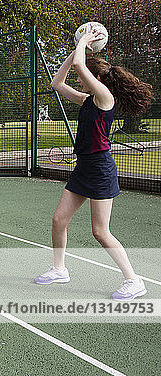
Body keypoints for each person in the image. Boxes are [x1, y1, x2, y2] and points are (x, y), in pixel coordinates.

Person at [35, 29, 154, 301]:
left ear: (96, 78)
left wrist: (83, 44)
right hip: (84, 167)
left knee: (100, 232)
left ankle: (133, 281)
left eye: (84, 75)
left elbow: (80, 65)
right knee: (59, 220)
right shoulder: (87, 99)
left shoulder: (104, 97)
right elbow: (56, 83)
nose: (79, 78)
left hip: (100, 169)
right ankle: (59, 269)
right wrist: (73, 53)